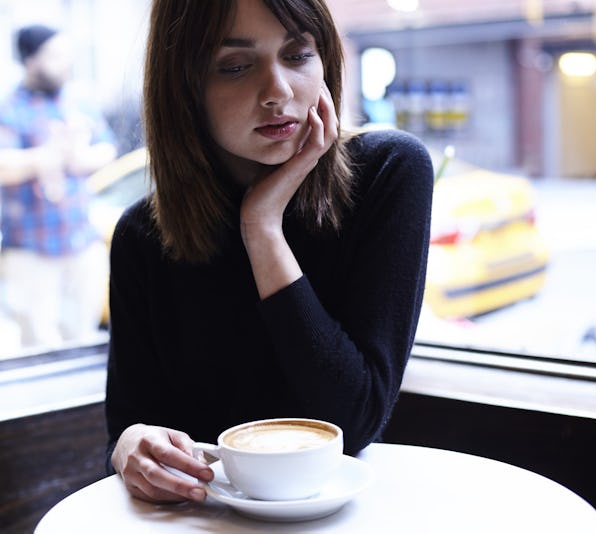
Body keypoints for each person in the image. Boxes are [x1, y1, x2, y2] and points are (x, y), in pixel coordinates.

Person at [106, 0, 433, 504]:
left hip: (336, 517)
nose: (278, 92)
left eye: (298, 55)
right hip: (201, 518)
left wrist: (262, 227)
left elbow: (355, 419)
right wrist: (132, 447)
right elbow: (130, 423)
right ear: (185, 88)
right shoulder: (142, 236)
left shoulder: (388, 173)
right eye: (235, 67)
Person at [0, 24, 117, 346]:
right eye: (55, 55)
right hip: (29, 250)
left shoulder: (79, 104)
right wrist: (49, 155)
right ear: (30, 60)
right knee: (40, 348)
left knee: (86, 341)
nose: (66, 62)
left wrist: (76, 156)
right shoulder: (4, 109)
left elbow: (107, 149)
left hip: (81, 243)